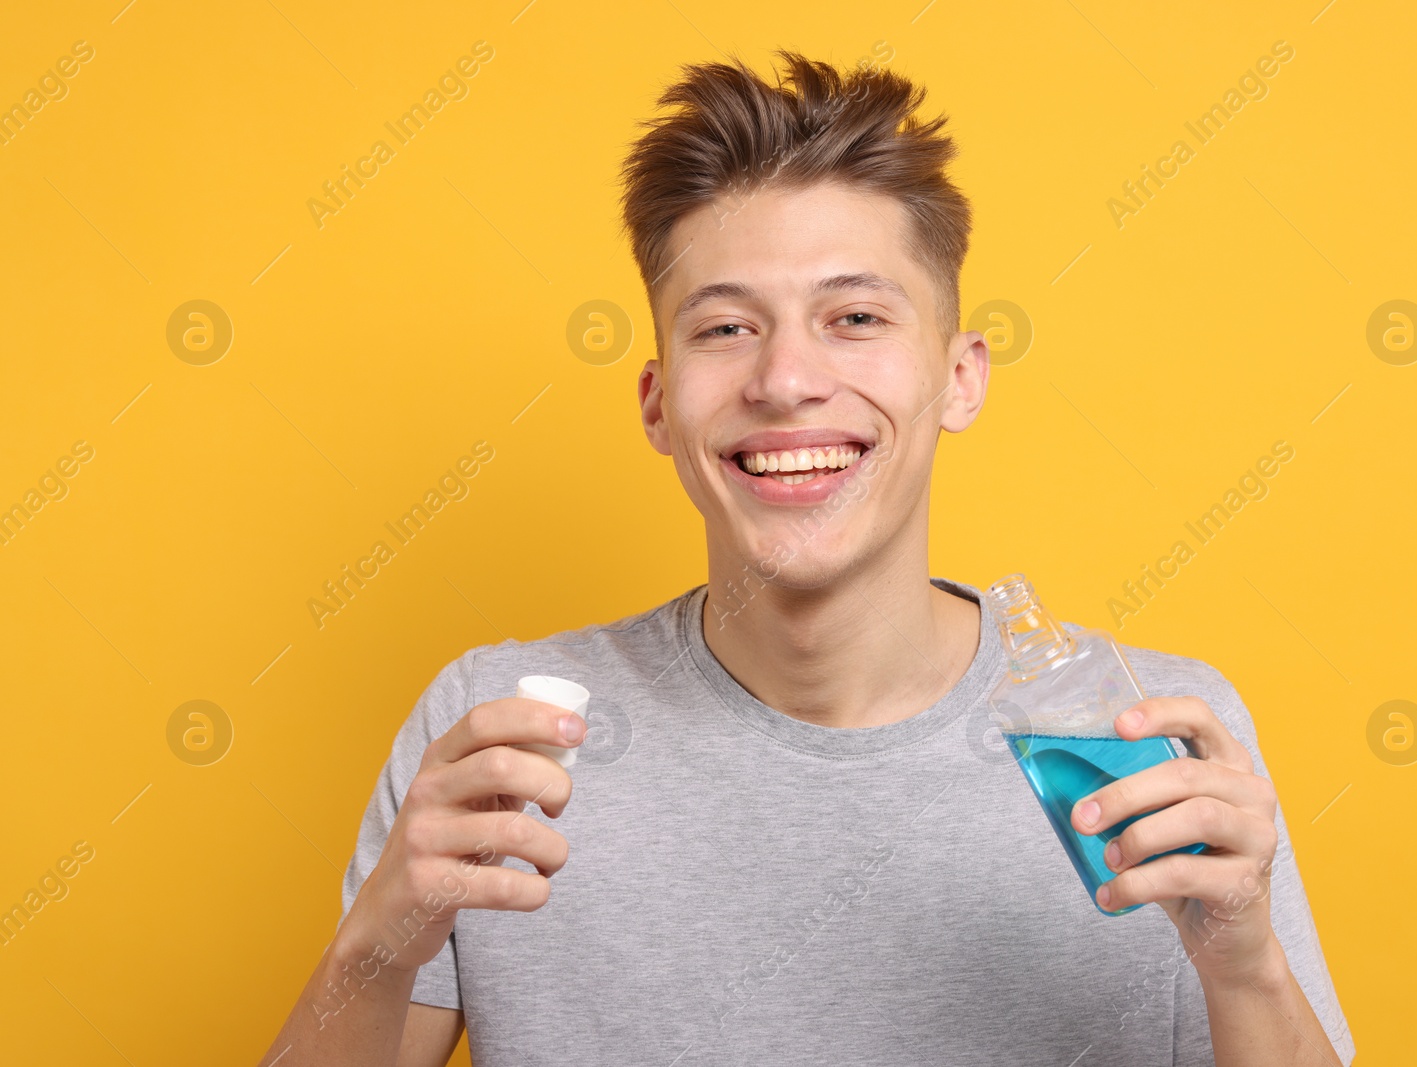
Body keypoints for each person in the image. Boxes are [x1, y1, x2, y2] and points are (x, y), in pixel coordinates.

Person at [259, 50, 1355, 1066]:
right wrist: (377, 944)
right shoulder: (495, 739)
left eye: (856, 316)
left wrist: (1243, 964)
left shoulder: (1147, 739)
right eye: (725, 328)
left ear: (960, 376)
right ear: (656, 401)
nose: (785, 379)